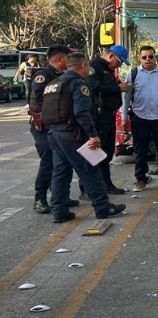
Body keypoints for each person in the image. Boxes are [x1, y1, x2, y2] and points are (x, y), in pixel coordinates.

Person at [43, 52, 125, 223]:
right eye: (87, 66)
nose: (89, 70)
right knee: (90, 169)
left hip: (54, 133)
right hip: (74, 134)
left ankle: (59, 210)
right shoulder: (78, 84)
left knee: (60, 172)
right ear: (83, 65)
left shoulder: (53, 83)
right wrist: (93, 135)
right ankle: (103, 207)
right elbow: (82, 112)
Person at [122, 45, 158, 192]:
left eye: (151, 56)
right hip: (140, 117)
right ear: (140, 59)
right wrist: (124, 117)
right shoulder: (133, 73)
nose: (148, 60)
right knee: (140, 151)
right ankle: (140, 180)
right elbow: (126, 97)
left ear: (155, 58)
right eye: (144, 57)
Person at [28, 45, 78, 214]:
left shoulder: (61, 76)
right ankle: (39, 198)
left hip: (58, 125)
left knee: (62, 160)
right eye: (68, 57)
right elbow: (37, 103)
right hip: (43, 126)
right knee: (48, 160)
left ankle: (59, 196)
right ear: (60, 59)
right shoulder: (43, 76)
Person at [88, 44, 131, 195]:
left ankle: (106, 184)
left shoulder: (109, 70)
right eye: (119, 62)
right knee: (95, 153)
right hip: (99, 115)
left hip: (109, 114)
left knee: (107, 151)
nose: (119, 65)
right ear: (111, 56)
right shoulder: (95, 67)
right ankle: (87, 188)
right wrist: (119, 88)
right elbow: (95, 88)